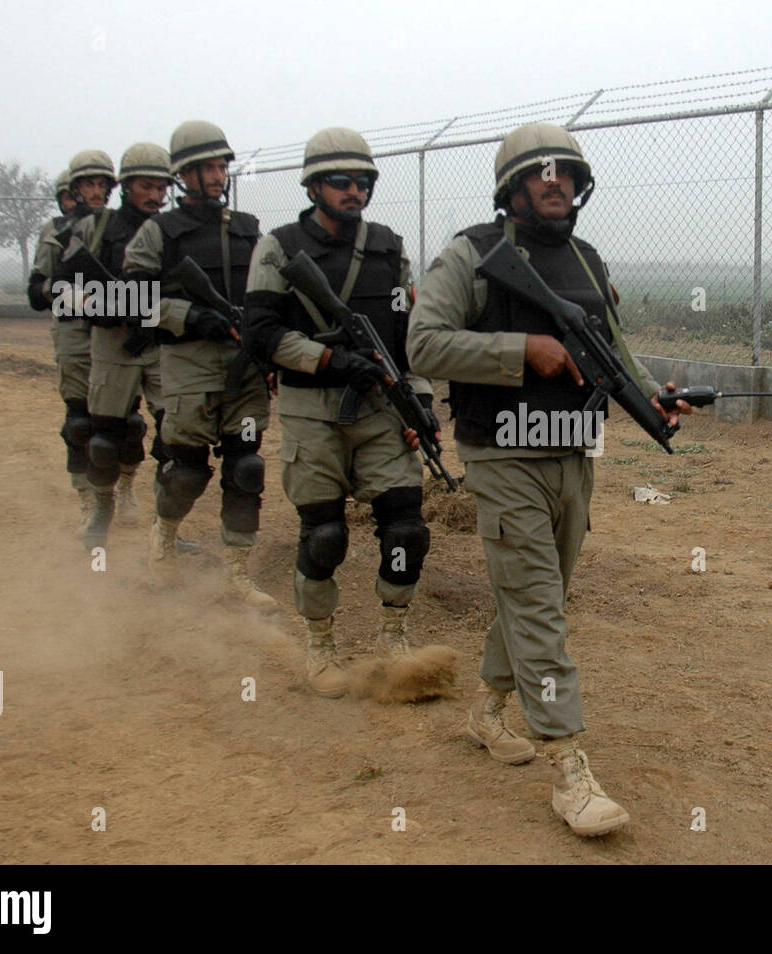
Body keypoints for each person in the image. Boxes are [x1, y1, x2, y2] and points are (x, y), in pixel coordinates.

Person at [407, 122, 690, 837]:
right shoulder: (473, 255)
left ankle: (485, 711)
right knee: (539, 605)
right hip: (502, 457)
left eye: (566, 171)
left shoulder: (586, 260)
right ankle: (568, 767)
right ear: (513, 186)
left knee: (539, 593)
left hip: (571, 452)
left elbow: (614, 348)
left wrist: (654, 394)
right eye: (540, 172)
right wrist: (521, 350)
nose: (555, 181)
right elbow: (422, 343)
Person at [243, 127, 438, 696]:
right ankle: (320, 645)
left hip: (380, 404)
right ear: (313, 187)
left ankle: (394, 635)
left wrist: (419, 402)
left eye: (364, 181)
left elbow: (406, 337)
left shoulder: (389, 247)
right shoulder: (277, 247)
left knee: (406, 528)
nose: (355, 191)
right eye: (341, 181)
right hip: (312, 410)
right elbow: (260, 334)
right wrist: (329, 359)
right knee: (324, 535)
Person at [121, 121, 275, 609]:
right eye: (205, 168)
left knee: (246, 466)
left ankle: (236, 571)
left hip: (244, 366)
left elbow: (271, 294)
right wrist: (189, 316)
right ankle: (164, 535)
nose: (216, 176)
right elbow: (130, 299)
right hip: (188, 364)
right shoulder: (159, 232)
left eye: (221, 166)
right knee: (186, 469)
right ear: (183, 175)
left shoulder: (249, 229)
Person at [70, 142, 198, 553]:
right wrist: (98, 307)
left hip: (159, 342)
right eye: (147, 186)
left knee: (174, 438)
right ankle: (102, 512)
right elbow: (57, 289)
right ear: (126, 186)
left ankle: (166, 529)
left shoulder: (171, 230)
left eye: (163, 188)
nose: (157, 196)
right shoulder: (97, 227)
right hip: (112, 342)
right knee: (106, 439)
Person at [26, 150, 115, 534]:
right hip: (75, 331)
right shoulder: (56, 233)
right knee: (80, 421)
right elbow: (35, 293)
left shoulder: (122, 228)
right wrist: (70, 292)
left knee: (122, 422)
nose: (95, 191)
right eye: (87, 185)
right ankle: (87, 501)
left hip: (114, 330)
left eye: (102, 184)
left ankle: (121, 492)